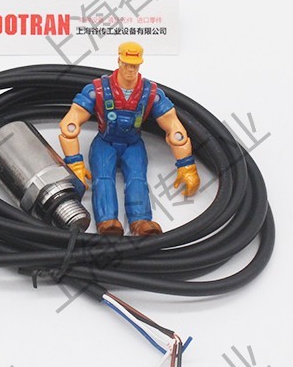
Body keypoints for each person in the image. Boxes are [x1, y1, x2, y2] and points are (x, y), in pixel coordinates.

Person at [59, 42, 200, 236]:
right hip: (105, 143)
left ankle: (141, 221)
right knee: (103, 179)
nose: (130, 69)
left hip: (133, 144)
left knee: (137, 179)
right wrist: (74, 162)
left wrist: (186, 166)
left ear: (140, 64)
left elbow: (174, 128)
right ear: (119, 61)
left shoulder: (151, 94)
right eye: (126, 64)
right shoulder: (98, 90)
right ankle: (107, 221)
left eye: (134, 65)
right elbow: (70, 124)